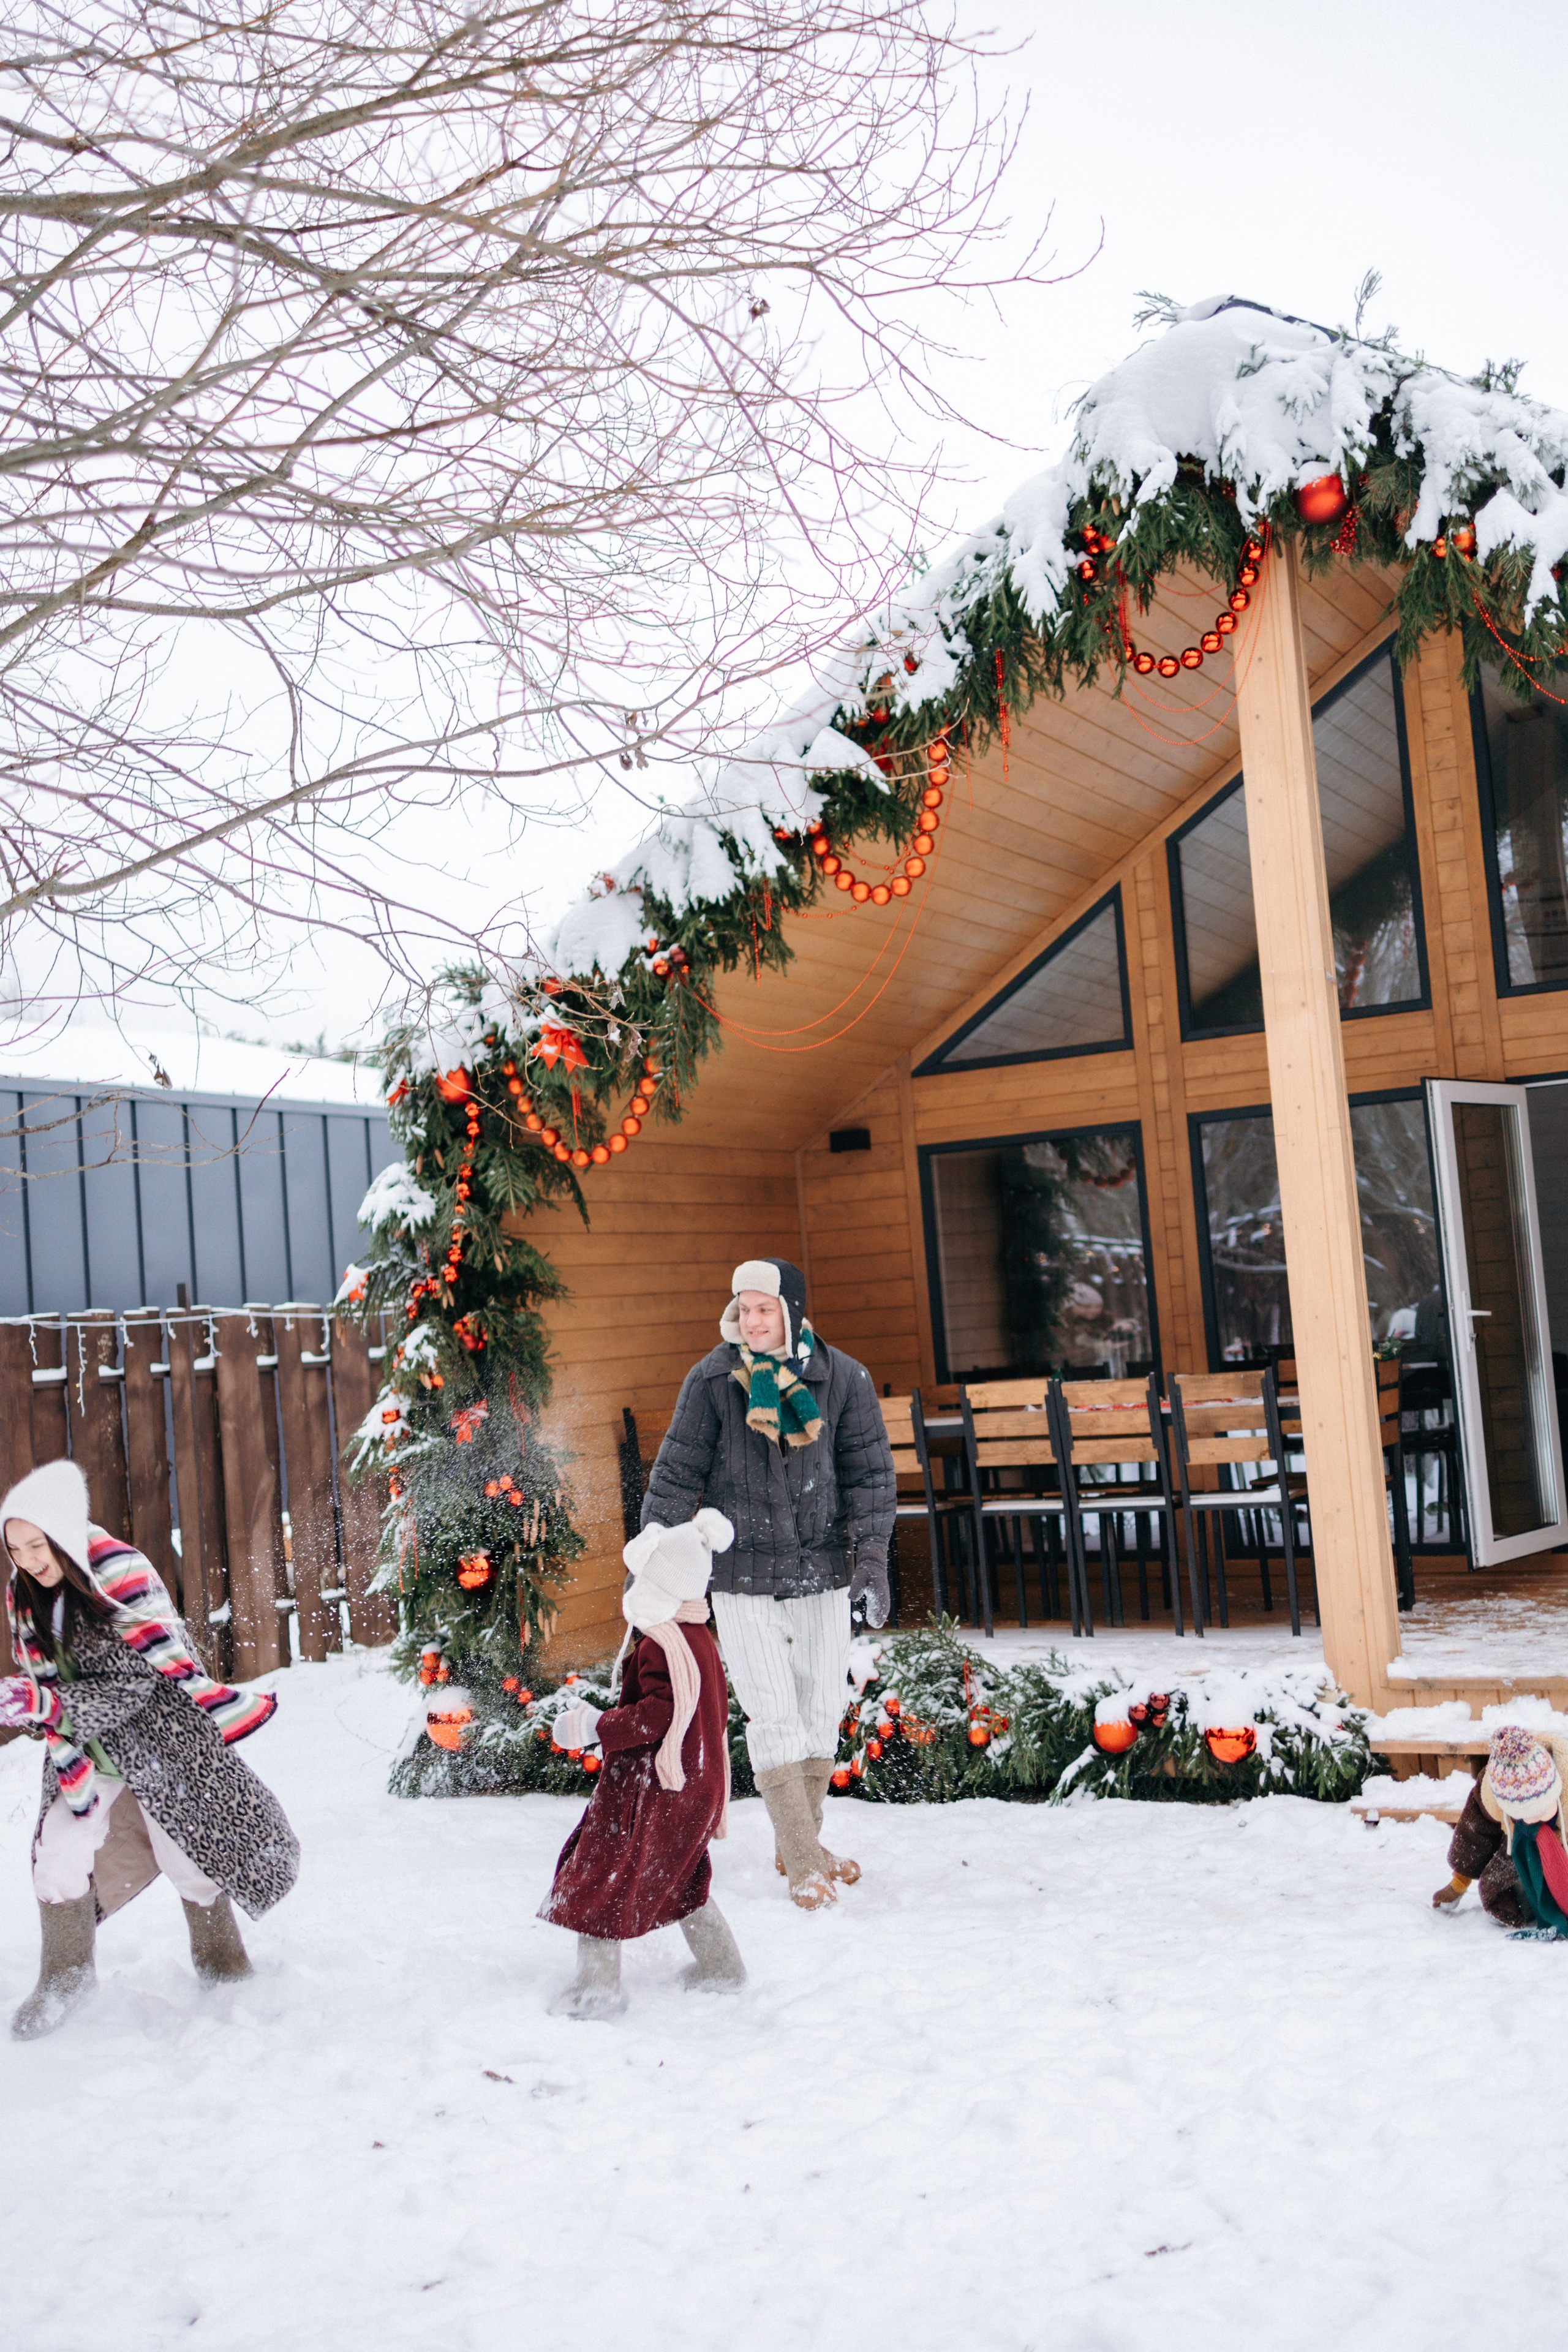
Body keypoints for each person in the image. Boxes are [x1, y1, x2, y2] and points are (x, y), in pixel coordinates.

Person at [0, 1459, 300, 2037]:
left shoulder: (118, 1574)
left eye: (38, 1545)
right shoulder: (25, 1594)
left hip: (162, 1740)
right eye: (15, 1549)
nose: (28, 1560)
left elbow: (138, 1683)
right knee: (56, 1854)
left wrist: (48, 1707)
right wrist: (34, 1704)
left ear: (63, 1531)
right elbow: (48, 1679)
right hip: (86, 1752)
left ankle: (222, 1962)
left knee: (187, 1855)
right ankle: (66, 1978)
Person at [641, 1256, 895, 1910]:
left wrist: (870, 1557)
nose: (750, 1321)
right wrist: (656, 1558)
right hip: (742, 1573)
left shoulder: (842, 1378)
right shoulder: (713, 1381)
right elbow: (675, 1475)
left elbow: (869, 1477)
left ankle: (798, 1838)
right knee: (774, 1713)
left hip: (820, 1569)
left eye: (763, 1308)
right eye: (742, 1308)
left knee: (819, 1710)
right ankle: (804, 1860)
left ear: (791, 1311)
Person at [541, 1508, 743, 2017]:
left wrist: (594, 1727)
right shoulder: (699, 1640)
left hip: (658, 1788)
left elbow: (657, 1714)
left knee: (601, 1873)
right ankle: (723, 1969)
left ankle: (597, 1990)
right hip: (698, 1784)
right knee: (683, 1874)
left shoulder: (663, 1647)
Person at [1433, 1724, 1568, 1936]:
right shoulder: (1490, 1796)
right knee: (1497, 1886)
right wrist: (1459, 1883)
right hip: (1519, 1849)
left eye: (1544, 1808)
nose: (1536, 1819)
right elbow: (1474, 1834)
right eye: (1525, 1813)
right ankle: (1531, 1901)